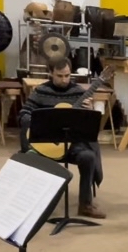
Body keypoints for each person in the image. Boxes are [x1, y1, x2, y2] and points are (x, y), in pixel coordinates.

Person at [19, 58, 105, 219]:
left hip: (72, 145)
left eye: (67, 75)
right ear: (50, 73)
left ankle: (85, 205)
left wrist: (90, 112)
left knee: (88, 157)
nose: (64, 80)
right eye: (60, 76)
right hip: (45, 145)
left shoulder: (78, 92)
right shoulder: (40, 91)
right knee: (29, 158)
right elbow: (23, 114)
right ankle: (33, 205)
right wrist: (38, 121)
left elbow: (90, 127)